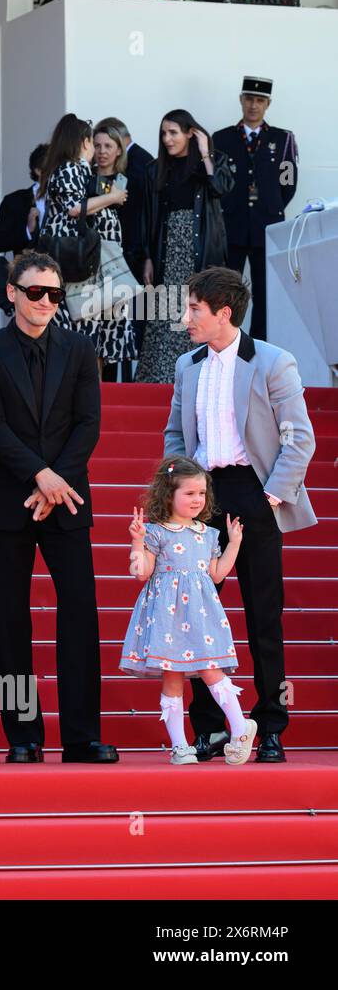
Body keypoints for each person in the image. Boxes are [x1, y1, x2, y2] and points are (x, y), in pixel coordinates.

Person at [0, 250, 118, 765]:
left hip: (67, 498)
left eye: (55, 294)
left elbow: (88, 425)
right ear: (12, 293)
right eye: (36, 292)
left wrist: (55, 480)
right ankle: (24, 737)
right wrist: (40, 474)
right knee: (10, 620)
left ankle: (81, 736)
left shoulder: (80, 349)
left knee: (80, 613)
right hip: (8, 498)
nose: (46, 302)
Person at [164, 266, 316, 763]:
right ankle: (208, 729)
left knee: (262, 614)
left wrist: (271, 498)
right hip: (201, 498)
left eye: (194, 310)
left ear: (223, 313)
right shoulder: (187, 364)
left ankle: (270, 725)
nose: (186, 318)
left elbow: (299, 438)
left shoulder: (273, 361)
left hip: (254, 493)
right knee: (196, 616)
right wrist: (177, 489)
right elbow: (174, 436)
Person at [122, 457, 253, 765]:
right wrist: (137, 542)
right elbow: (141, 572)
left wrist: (234, 543)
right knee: (172, 676)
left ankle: (239, 726)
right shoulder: (156, 533)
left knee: (210, 669)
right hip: (167, 618)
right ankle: (180, 746)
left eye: (202, 493)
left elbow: (217, 574)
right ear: (169, 495)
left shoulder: (208, 535)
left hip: (200, 616)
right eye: (190, 493)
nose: (197, 500)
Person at [138, 109, 234, 384]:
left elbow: (220, 187)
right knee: (166, 316)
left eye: (173, 132)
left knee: (198, 312)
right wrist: (147, 256)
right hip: (166, 250)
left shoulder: (213, 162)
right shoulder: (155, 169)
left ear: (190, 133)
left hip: (200, 251)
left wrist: (205, 152)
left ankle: (198, 378)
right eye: (164, 133)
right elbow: (148, 216)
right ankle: (162, 379)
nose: (167, 139)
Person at [40, 114, 137, 376]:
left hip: (84, 264)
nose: (98, 150)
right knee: (84, 334)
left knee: (92, 336)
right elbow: (74, 209)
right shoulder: (72, 167)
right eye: (94, 143)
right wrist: (113, 197)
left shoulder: (74, 169)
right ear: (84, 142)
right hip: (76, 264)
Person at [213, 77, 299, 342]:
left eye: (260, 100)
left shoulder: (283, 139)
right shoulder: (222, 138)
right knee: (227, 290)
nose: (253, 105)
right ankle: (227, 341)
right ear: (241, 100)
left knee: (264, 293)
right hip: (232, 225)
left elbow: (289, 182)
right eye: (249, 99)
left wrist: (270, 208)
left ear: (268, 104)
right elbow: (217, 181)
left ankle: (259, 345)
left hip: (266, 227)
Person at [93, 118, 147, 380]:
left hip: (118, 264)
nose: (102, 151)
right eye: (97, 145)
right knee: (89, 331)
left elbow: (136, 224)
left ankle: (113, 392)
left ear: (119, 149)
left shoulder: (129, 182)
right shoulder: (84, 180)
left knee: (114, 331)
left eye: (108, 145)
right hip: (87, 265)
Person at [0, 144, 49, 321]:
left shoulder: (72, 201)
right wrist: (28, 231)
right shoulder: (14, 201)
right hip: (29, 286)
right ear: (38, 170)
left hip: (65, 285)